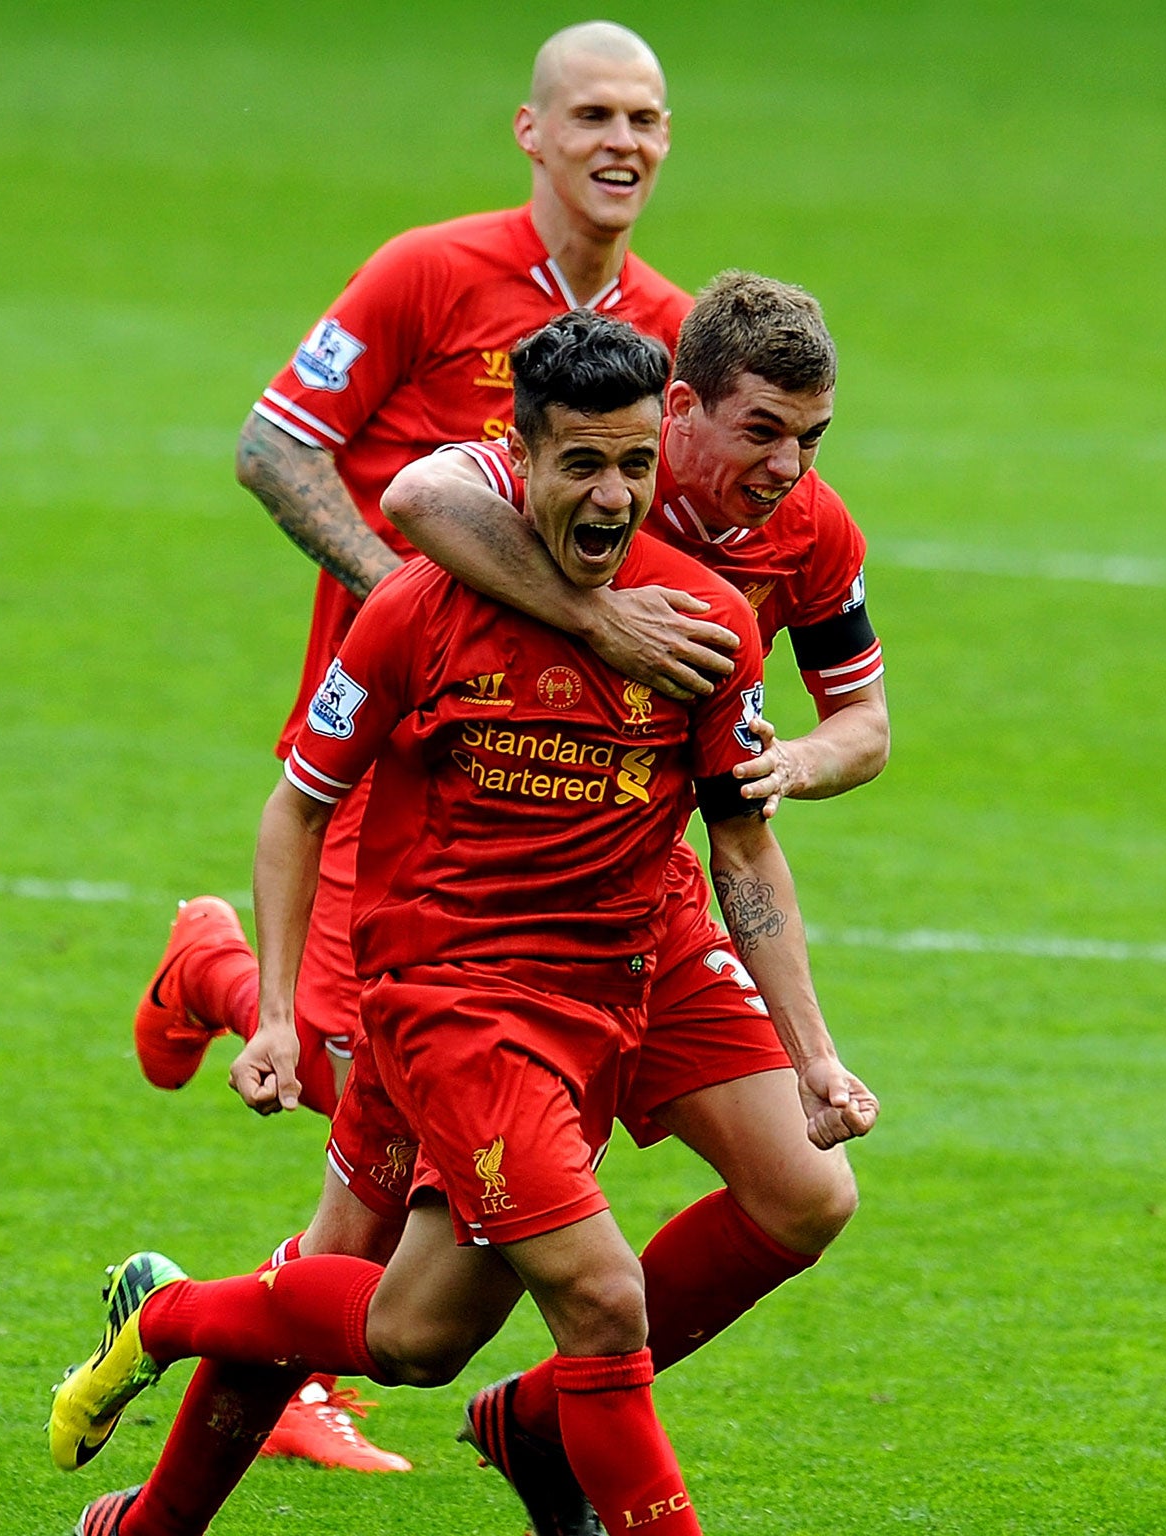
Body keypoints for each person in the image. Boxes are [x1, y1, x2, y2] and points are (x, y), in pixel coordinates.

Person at [55, 314, 876, 1536]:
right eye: (580, 464)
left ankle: (164, 1361)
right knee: (600, 1300)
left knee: (416, 1330)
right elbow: (302, 800)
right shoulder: (422, 602)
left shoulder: (717, 614)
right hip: (457, 998)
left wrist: (815, 1053)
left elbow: (746, 840)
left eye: (630, 466)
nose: (611, 492)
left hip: (628, 972)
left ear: (662, 439)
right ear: (522, 456)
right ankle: (541, 1416)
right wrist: (278, 1011)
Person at [126, 18, 730, 1471]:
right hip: (389, 748)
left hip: (538, 783)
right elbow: (278, 448)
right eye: (591, 114)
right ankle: (213, 970)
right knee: (366, 1079)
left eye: (646, 119)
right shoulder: (426, 271)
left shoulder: (660, 325)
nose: (621, 143)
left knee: (400, 1126)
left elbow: (678, 528)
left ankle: (256, 1352)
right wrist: (424, 608)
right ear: (530, 131)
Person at [379, 270, 889, 1530]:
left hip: (657, 901)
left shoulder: (812, 534)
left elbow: (863, 722)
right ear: (682, 407)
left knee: (807, 1193)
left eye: (810, 439)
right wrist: (599, 623)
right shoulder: (590, 460)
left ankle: (549, 1414)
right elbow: (418, 492)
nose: (785, 467)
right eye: (760, 432)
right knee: (384, 1299)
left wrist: (789, 763)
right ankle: (168, 1332)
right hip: (484, 900)